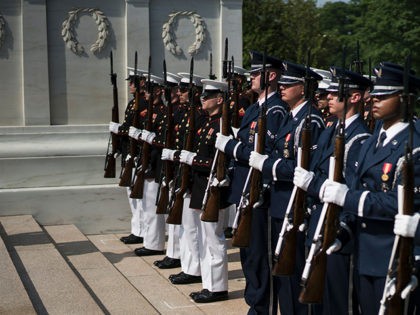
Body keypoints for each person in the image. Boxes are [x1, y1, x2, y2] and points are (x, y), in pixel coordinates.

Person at [321, 62, 420, 315]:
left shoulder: (414, 146)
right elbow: (356, 183)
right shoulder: (374, 140)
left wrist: (347, 198)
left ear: (405, 99)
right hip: (365, 252)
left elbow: (396, 204)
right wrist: (343, 231)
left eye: (383, 96)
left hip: (395, 256)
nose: (374, 100)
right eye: (374, 95)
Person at [293, 67, 372, 315]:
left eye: (334, 93)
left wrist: (312, 185)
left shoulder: (359, 138)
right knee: (319, 300)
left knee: (339, 303)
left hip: (338, 228)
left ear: (355, 97)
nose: (327, 98)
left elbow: (349, 188)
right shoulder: (332, 129)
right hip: (318, 222)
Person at [249, 61, 324, 315]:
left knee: (293, 275)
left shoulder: (310, 120)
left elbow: (302, 169)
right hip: (280, 203)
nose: (281, 88)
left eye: (288, 85)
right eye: (281, 84)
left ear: (303, 89)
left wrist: (268, 165)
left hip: (295, 205)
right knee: (282, 273)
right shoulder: (293, 117)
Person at [215, 50, 287, 314]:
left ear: (271, 76)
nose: (251, 78)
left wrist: (232, 147)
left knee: (260, 258)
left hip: (259, 193)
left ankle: (262, 309)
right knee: (248, 256)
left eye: (256, 74)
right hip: (244, 190)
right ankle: (255, 305)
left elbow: (264, 153)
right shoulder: (257, 107)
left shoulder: (276, 109)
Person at [176, 79, 231, 303]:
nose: (202, 99)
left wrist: (193, 159)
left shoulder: (221, 127)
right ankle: (209, 285)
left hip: (213, 190)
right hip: (202, 187)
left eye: (207, 96)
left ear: (220, 99)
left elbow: (219, 164)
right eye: (202, 96)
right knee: (205, 238)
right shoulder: (209, 123)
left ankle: (218, 288)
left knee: (214, 239)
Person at [160, 71, 207, 285]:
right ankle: (188, 266)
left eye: (185, 89)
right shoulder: (186, 113)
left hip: (191, 174)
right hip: (181, 172)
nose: (180, 92)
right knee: (186, 225)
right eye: (180, 89)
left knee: (192, 226)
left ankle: (193, 269)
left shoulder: (198, 115)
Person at [128, 74, 168, 256]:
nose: (146, 93)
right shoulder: (150, 110)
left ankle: (154, 244)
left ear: (159, 91)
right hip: (144, 160)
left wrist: (151, 139)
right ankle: (148, 239)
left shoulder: (162, 111)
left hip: (155, 162)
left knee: (152, 206)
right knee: (145, 203)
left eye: (150, 89)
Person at [109, 68, 147, 245]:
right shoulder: (133, 103)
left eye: (132, 82)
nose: (130, 85)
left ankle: (141, 231)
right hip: (128, 152)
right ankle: (136, 229)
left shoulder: (144, 104)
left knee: (138, 196)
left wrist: (120, 129)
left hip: (137, 153)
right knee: (131, 194)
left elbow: (136, 129)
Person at [153, 72, 183, 269]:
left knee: (179, 214)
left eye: (171, 90)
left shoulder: (181, 112)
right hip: (167, 165)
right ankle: (172, 252)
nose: (169, 93)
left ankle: (177, 254)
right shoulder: (167, 111)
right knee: (171, 212)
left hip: (177, 166)